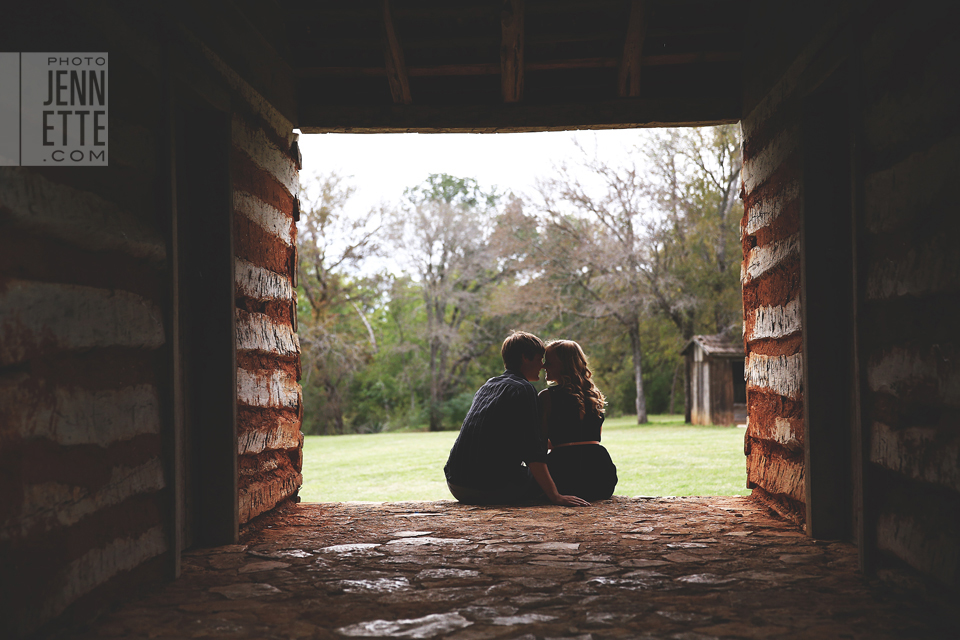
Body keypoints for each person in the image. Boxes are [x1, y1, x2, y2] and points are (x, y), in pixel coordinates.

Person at [444, 331, 590, 507]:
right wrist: (555, 496)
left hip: (456, 483)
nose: (543, 366)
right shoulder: (523, 389)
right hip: (488, 487)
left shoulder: (488, 386)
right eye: (539, 359)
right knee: (558, 472)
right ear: (525, 358)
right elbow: (533, 451)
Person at [539, 340, 618, 501]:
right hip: (601, 475)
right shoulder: (594, 396)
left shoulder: (547, 397)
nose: (543, 366)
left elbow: (540, 442)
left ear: (564, 365)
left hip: (563, 473)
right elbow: (592, 438)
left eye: (548, 362)